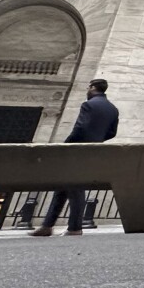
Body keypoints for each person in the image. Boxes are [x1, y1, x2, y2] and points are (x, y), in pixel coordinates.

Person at [29, 79, 119, 237]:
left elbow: (80, 127)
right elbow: (112, 133)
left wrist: (68, 144)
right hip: (92, 151)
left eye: (88, 87)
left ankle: (75, 227)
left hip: (76, 150)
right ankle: (47, 225)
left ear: (92, 87)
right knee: (63, 187)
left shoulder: (88, 105)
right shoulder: (113, 109)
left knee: (75, 187)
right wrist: (96, 140)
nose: (87, 90)